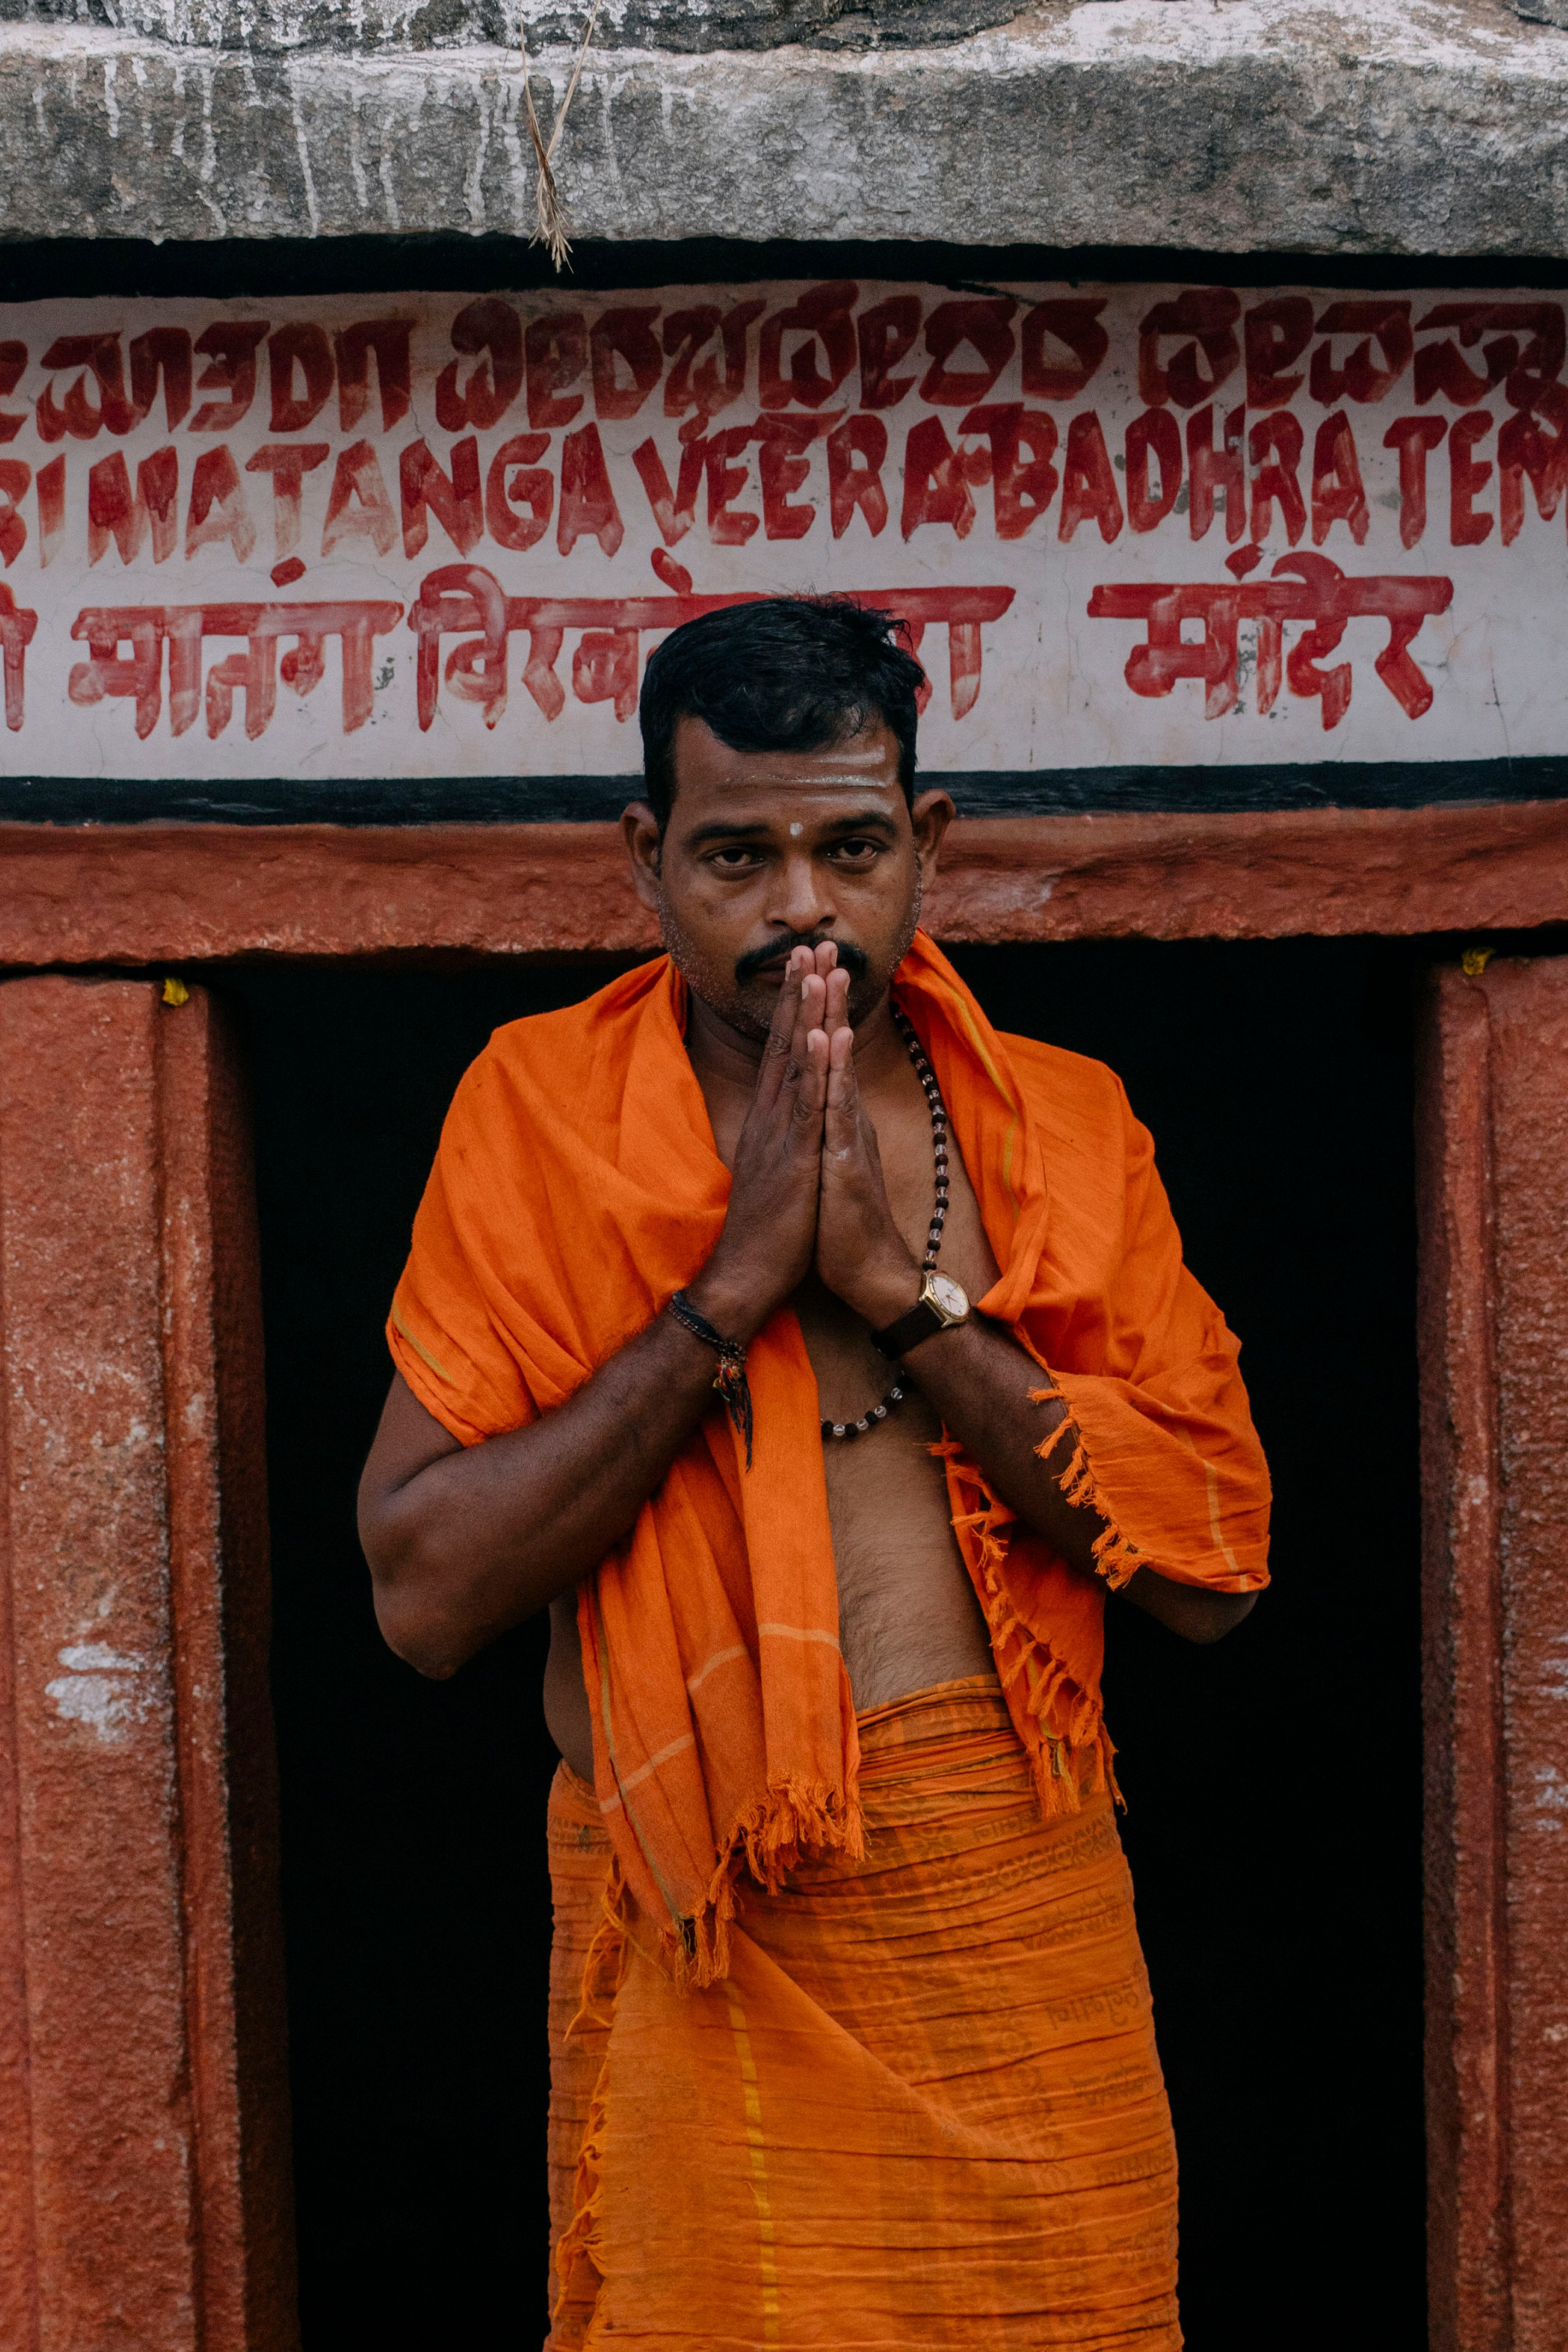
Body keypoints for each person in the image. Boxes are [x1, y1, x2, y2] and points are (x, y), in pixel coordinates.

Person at [358, 597, 1272, 2350]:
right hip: (710, 1945)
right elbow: (425, 1597)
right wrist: (726, 1295)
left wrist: (898, 1297)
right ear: (646, 858)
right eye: (736, 855)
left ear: (927, 842)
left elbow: (1210, 1574)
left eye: (850, 847)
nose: (799, 906)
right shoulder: (540, 1114)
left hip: (1012, 1935)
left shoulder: (1065, 1128)